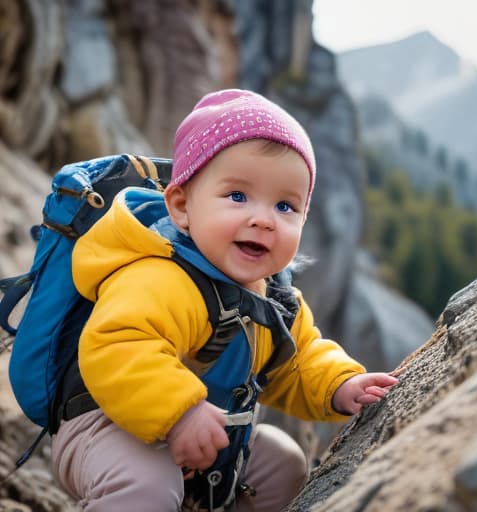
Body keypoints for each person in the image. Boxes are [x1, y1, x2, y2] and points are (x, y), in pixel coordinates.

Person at [51, 89, 398, 512]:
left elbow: (300, 361)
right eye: (237, 196)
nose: (263, 218)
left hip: (207, 427)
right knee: (146, 488)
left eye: (285, 205)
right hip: (108, 423)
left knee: (284, 465)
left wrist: (340, 384)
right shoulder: (159, 275)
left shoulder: (275, 299)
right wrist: (179, 412)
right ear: (181, 206)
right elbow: (117, 346)